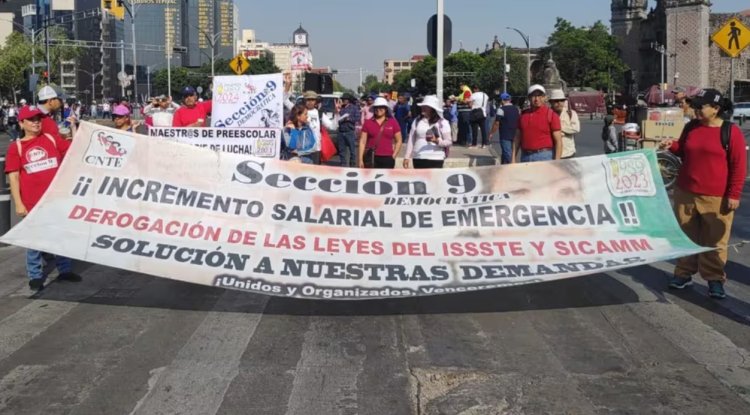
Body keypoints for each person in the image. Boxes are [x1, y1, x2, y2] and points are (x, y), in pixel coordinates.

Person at [659, 89, 747, 299]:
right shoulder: (691, 127)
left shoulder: (730, 131)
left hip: (716, 197)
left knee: (715, 241)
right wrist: (671, 145)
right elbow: (683, 150)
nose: (696, 109)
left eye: (701, 106)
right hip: (685, 192)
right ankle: (683, 274)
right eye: (695, 105)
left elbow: (739, 166)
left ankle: (714, 279)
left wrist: (734, 194)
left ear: (715, 109)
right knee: (685, 236)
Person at [4, 106, 81, 291]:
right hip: (32, 202)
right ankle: (35, 275)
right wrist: (19, 203)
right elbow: (13, 177)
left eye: (38, 118)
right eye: (31, 119)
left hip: (56, 199)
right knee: (35, 241)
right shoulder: (17, 147)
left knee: (60, 236)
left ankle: (65, 270)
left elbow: (74, 151)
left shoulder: (51, 139)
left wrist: (73, 127)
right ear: (22, 123)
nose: (36, 122)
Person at [512, 84, 562, 163]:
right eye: (533, 96)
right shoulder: (523, 115)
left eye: (540, 96)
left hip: (544, 156)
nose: (537, 99)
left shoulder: (551, 115)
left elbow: (558, 141)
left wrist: (557, 162)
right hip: (525, 156)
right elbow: (517, 138)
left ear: (544, 97)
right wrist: (513, 158)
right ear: (529, 98)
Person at [403, 95, 452, 169]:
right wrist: (407, 157)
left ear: (433, 109)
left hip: (436, 158)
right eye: (423, 106)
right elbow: (411, 140)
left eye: (426, 106)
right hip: (418, 157)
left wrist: (437, 141)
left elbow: (448, 141)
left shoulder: (443, 122)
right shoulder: (417, 121)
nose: (423, 108)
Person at [359, 97, 402, 169]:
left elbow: (399, 140)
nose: (378, 109)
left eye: (381, 107)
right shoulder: (368, 123)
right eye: (376, 107)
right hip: (371, 157)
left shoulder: (393, 122)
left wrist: (393, 156)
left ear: (386, 109)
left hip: (388, 158)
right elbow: (362, 142)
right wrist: (360, 159)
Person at [302, 90, 338, 165]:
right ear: (304, 101)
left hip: (316, 149)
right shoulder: (299, 112)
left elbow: (333, 126)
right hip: (302, 149)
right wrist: (287, 87)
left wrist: (337, 114)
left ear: (316, 101)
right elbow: (286, 101)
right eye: (308, 99)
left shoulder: (319, 114)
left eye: (312, 99)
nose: (310, 102)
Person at [548, 89, 581, 159]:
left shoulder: (571, 113)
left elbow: (576, 129)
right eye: (556, 101)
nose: (559, 103)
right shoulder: (547, 115)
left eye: (562, 100)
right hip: (551, 154)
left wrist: (557, 129)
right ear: (551, 102)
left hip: (568, 152)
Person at [489, 93, 520, 164]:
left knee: (507, 153)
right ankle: (504, 166)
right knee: (510, 153)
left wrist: (491, 133)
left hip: (505, 134)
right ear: (510, 100)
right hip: (515, 134)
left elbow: (497, 123)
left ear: (502, 100)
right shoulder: (516, 109)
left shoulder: (501, 110)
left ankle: (510, 168)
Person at [337, 93, 360, 167]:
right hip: (341, 131)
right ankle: (343, 164)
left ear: (348, 100)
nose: (343, 100)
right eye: (343, 99)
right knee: (342, 150)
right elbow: (336, 119)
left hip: (349, 131)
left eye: (345, 99)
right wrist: (337, 110)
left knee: (352, 150)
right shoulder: (341, 108)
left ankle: (352, 164)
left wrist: (349, 119)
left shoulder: (354, 108)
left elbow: (357, 118)